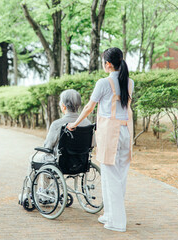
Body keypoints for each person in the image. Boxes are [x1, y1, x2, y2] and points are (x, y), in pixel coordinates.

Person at [67, 47, 134, 232]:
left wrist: (75, 123)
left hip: (110, 134)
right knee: (120, 176)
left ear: (108, 64)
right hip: (126, 131)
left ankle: (117, 222)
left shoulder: (103, 83)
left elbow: (89, 107)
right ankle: (110, 215)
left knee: (110, 176)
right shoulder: (130, 82)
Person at [19, 89, 92, 201]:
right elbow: (92, 144)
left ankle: (29, 193)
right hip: (81, 162)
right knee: (47, 159)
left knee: (36, 158)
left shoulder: (58, 124)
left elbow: (47, 147)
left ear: (63, 107)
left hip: (61, 162)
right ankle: (48, 191)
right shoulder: (87, 123)